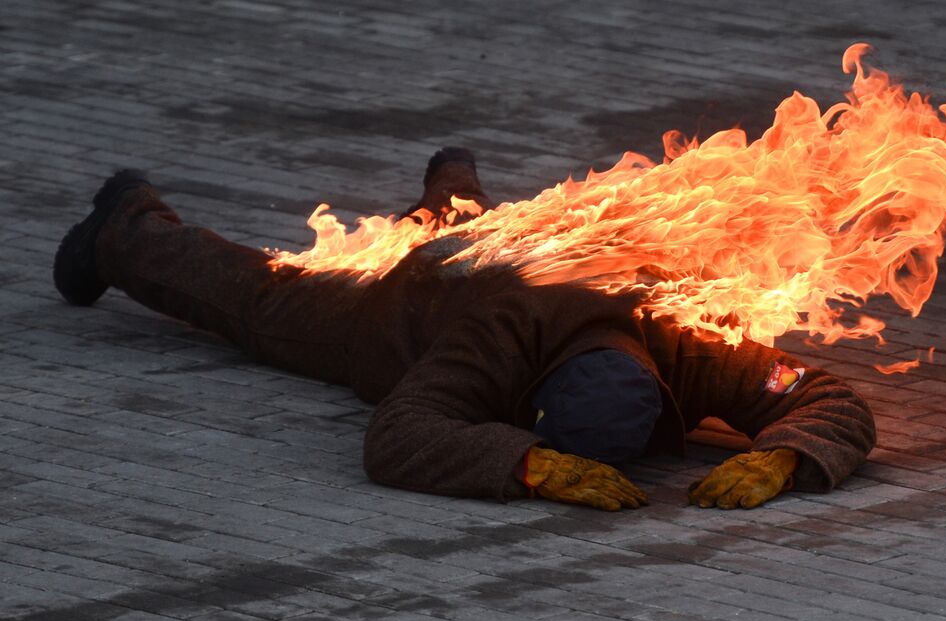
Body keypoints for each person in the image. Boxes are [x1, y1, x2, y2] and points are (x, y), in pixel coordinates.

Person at [53, 149, 877, 511]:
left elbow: (825, 397)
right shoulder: (491, 347)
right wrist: (523, 465)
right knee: (264, 306)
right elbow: (398, 435)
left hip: (517, 247)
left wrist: (789, 456)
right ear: (533, 399)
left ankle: (454, 183)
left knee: (466, 226)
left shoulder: (689, 343)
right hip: (421, 299)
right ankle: (129, 225)